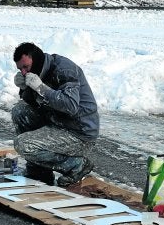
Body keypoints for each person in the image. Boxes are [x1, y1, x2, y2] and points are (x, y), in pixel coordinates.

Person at [11, 42, 99, 187]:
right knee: (19, 111)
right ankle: (39, 171)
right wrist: (25, 88)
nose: (24, 73)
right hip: (57, 122)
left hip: (79, 133)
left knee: (23, 144)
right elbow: (35, 103)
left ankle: (76, 166)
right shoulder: (38, 72)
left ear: (37, 60)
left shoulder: (64, 69)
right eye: (20, 69)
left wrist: (41, 88)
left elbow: (70, 105)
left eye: (26, 67)